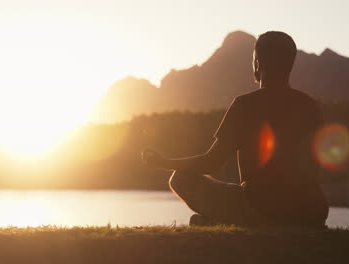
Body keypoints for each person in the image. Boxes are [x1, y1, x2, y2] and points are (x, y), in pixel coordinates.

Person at [141, 31, 329, 227]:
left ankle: (230, 222)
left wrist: (164, 162)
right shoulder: (309, 106)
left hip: (264, 210)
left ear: (257, 63)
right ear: (290, 65)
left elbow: (211, 163)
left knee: (180, 177)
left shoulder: (245, 105)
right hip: (312, 214)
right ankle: (219, 222)